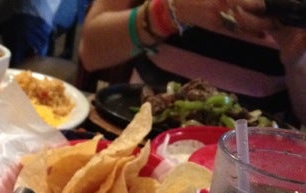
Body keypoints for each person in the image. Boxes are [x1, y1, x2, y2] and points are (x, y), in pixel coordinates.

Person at [78, 0, 306, 125]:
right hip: (145, 130)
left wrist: (297, 55)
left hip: (254, 168)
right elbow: (92, 51)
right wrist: (170, 12)